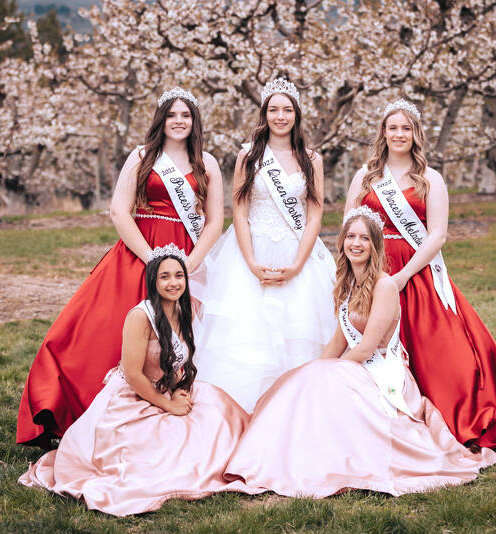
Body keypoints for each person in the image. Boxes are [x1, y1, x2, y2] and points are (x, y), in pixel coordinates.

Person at [224, 208, 496, 498]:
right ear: (342, 242)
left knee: (323, 383)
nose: (356, 243)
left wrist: (327, 374)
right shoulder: (347, 285)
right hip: (355, 367)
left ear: (375, 245)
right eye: (351, 236)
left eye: (364, 238)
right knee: (298, 385)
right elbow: (337, 343)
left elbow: (367, 347)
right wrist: (311, 373)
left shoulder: (385, 286)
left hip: (381, 372)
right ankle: (282, 460)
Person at [17, 88, 224, 446]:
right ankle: (76, 413)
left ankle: (171, 416)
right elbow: (118, 210)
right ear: (162, 119)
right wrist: (153, 261)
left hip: (188, 260)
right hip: (140, 253)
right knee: (98, 330)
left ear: (195, 121)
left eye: (186, 115)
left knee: (184, 339)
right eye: (172, 115)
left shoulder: (208, 163)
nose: (179, 121)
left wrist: (188, 264)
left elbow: (216, 220)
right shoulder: (142, 156)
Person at [344, 99, 496, 447]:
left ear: (416, 134)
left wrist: (404, 275)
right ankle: (379, 418)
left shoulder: (429, 179)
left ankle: (447, 418)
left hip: (415, 270)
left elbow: (437, 234)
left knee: (438, 351)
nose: (399, 134)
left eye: (406, 128)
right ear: (383, 133)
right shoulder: (366, 176)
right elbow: (350, 223)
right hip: (372, 265)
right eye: (393, 128)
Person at [19, 245, 261, 516]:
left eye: (179, 276)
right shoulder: (140, 316)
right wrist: (167, 405)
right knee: (158, 455)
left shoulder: (185, 311)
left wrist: (180, 390)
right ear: (153, 280)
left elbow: (181, 359)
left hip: (167, 388)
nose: (173, 283)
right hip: (133, 396)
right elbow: (134, 375)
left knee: (218, 412)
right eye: (165, 277)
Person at [192, 78, 336, 412]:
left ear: (296, 115)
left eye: (287, 110)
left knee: (297, 334)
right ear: (264, 113)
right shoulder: (249, 155)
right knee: (247, 337)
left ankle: (294, 410)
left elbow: (314, 215)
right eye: (274, 109)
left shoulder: (311, 158)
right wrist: (252, 263)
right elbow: (239, 212)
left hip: (298, 255)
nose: (280, 116)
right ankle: (243, 411)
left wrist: (298, 264)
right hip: (249, 254)